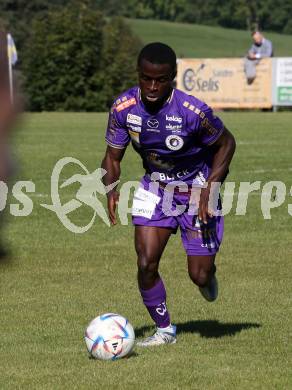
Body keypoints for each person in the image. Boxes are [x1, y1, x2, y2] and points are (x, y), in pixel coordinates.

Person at [101, 42, 236, 347]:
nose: (152, 86)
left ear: (173, 76)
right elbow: (112, 157)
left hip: (197, 190)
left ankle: (208, 274)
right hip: (155, 188)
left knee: (199, 276)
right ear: (138, 73)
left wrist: (210, 188)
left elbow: (227, 144)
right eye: (146, 78)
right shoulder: (124, 108)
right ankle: (165, 330)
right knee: (146, 262)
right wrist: (110, 188)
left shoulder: (192, 112)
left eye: (160, 80)